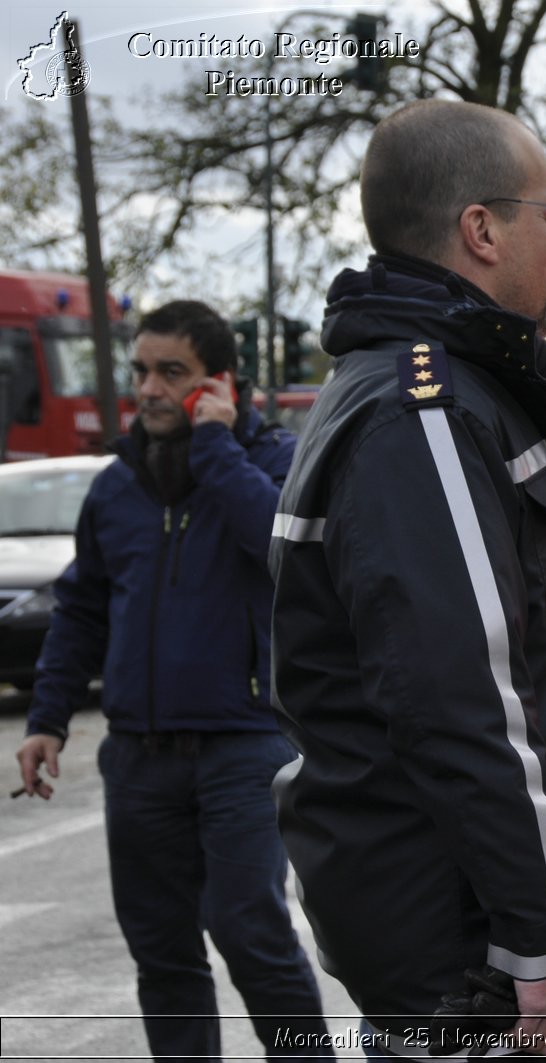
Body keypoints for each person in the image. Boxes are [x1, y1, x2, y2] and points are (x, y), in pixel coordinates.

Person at [268, 99, 546, 1057]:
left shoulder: (438, 390)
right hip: (477, 967)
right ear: (481, 230)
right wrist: (538, 936)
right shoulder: (426, 410)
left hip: (465, 945)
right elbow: (463, 695)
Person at [13, 300, 331, 1061]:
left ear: (219, 382)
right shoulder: (116, 486)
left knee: (249, 929)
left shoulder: (272, 462)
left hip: (246, 747)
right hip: (138, 756)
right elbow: (82, 608)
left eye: (172, 373)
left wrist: (217, 446)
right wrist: (47, 717)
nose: (148, 388)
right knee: (161, 949)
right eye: (140, 371)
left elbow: (280, 549)